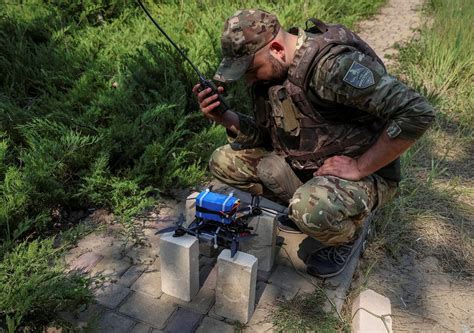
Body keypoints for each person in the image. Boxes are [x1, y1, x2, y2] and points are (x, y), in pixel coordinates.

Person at [192, 9, 434, 278]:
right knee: (224, 160)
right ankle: (309, 208)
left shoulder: (332, 68)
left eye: (250, 70)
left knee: (310, 208)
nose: (248, 80)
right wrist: (225, 117)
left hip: (364, 175)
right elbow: (267, 136)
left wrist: (359, 167)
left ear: (276, 49)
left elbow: (417, 111)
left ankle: (345, 235)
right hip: (309, 163)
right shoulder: (272, 75)